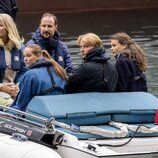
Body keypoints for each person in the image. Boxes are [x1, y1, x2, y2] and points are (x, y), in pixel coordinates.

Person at [10, 44, 68, 111]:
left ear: (39, 56)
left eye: (29, 56)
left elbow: (22, 104)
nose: (25, 59)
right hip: (60, 109)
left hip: (39, 112)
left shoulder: (30, 74)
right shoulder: (58, 69)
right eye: (24, 56)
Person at [0, 13, 26, 106]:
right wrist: (1, 87)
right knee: (12, 105)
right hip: (1, 91)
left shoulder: (19, 47)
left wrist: (18, 86)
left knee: (31, 104)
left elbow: (24, 70)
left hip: (14, 90)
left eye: (0, 25)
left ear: (8, 27)